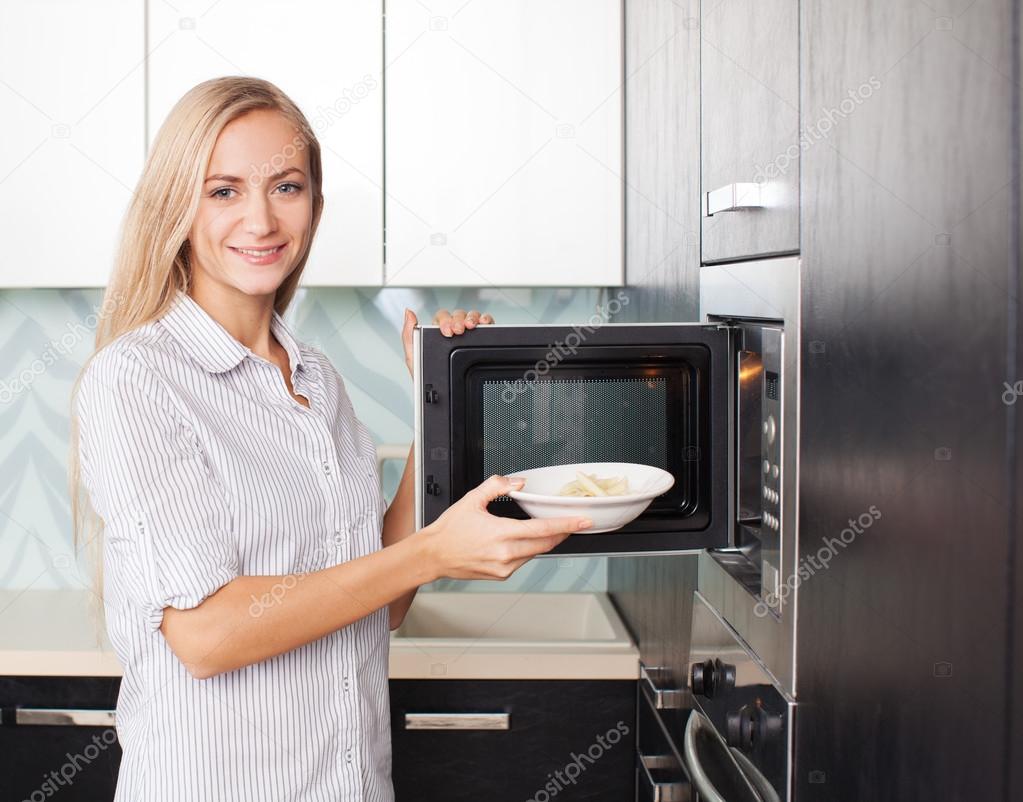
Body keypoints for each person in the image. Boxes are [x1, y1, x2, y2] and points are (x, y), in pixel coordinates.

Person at [71, 76, 591, 802]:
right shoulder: (136, 381)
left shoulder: (316, 379)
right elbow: (208, 636)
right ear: (176, 208)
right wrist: (430, 552)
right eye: (223, 190)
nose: (260, 219)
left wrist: (437, 406)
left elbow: (381, 600)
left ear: (314, 205)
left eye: (285, 186)